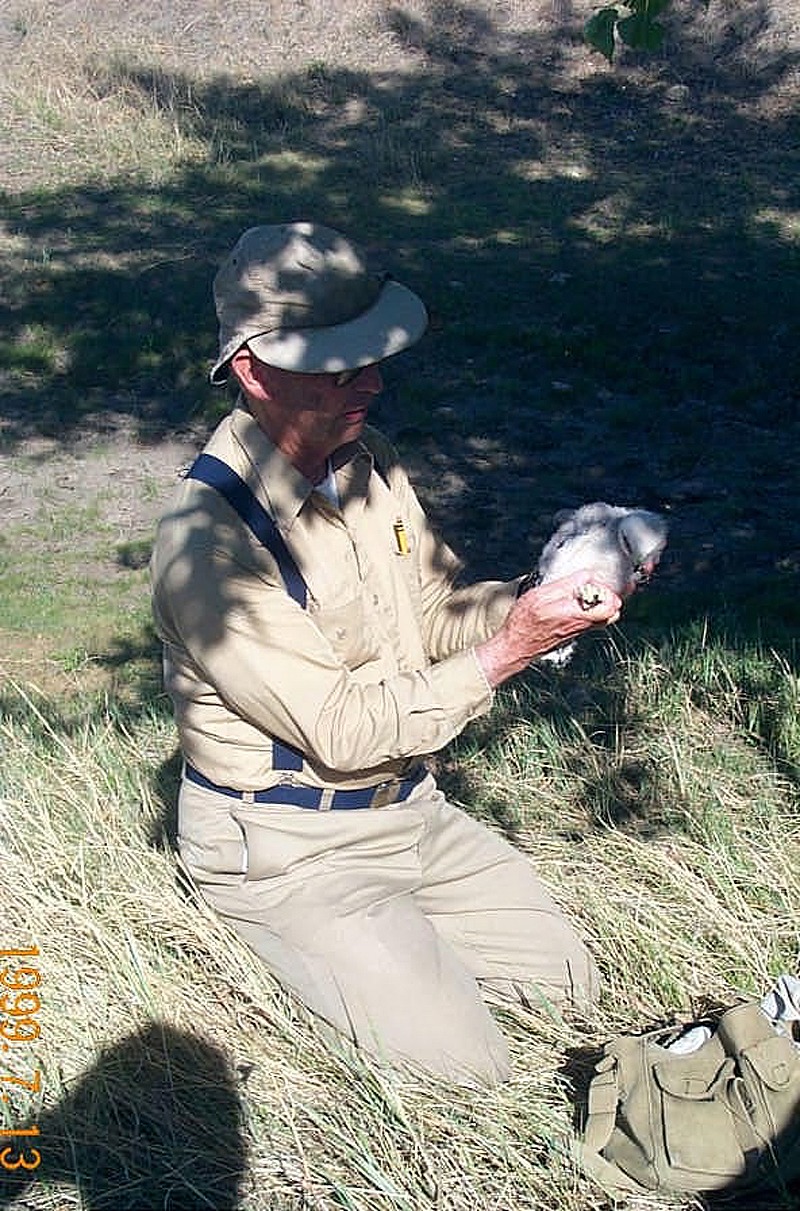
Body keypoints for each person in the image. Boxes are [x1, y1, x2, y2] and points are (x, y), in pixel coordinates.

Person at [150, 221, 623, 1085]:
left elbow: (434, 613)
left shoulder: (368, 462)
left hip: (409, 809)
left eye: (373, 358)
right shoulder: (208, 546)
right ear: (253, 371)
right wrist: (510, 651)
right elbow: (341, 729)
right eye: (342, 367)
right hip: (292, 850)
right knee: (468, 1072)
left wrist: (545, 594)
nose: (371, 381)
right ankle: (263, 947)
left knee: (571, 990)